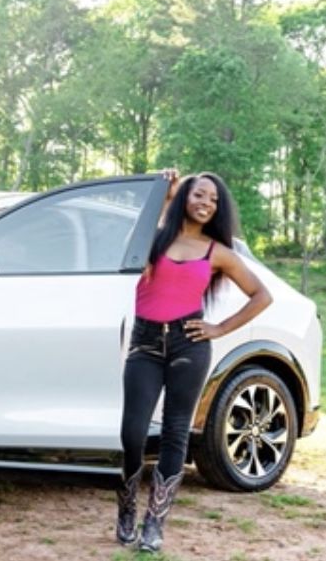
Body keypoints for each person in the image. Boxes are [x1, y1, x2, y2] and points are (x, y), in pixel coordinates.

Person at [115, 170, 273, 552]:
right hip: (146, 343)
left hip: (190, 345)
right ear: (186, 196)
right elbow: (130, 246)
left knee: (176, 432)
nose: (207, 203)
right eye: (200, 195)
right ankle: (126, 508)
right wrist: (165, 199)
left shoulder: (217, 252)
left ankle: (154, 524)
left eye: (214, 200)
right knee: (133, 433)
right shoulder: (155, 240)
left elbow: (261, 295)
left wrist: (219, 328)